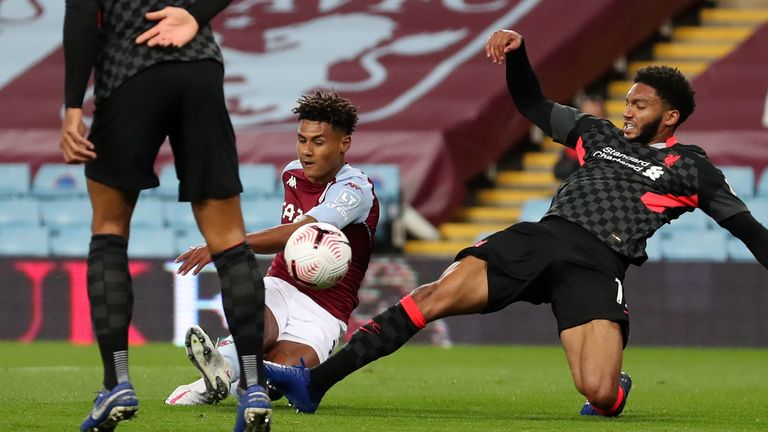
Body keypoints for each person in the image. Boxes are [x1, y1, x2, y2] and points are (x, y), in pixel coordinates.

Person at [263, 28, 768, 417]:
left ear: (672, 116)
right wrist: (519, 54)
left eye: (640, 104)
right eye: (627, 101)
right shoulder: (598, 134)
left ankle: (615, 391)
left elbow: (747, 229)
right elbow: (531, 103)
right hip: (541, 236)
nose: (627, 111)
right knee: (434, 295)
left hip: (598, 262)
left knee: (596, 389)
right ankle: (315, 385)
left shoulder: (693, 169)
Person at [62, 1, 271, 431]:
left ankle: (116, 382)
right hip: (198, 66)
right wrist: (196, 13)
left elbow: (83, 14)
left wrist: (71, 108)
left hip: (128, 66)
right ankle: (253, 386)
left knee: (110, 228)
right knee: (229, 236)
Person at [165, 90, 380, 406]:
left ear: (344, 144)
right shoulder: (291, 174)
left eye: (318, 142)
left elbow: (301, 230)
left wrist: (227, 244)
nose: (307, 151)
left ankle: (226, 374)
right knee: (258, 335)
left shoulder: (354, 190)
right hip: (280, 285)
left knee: (273, 379)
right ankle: (220, 370)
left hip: (325, 311)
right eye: (302, 140)